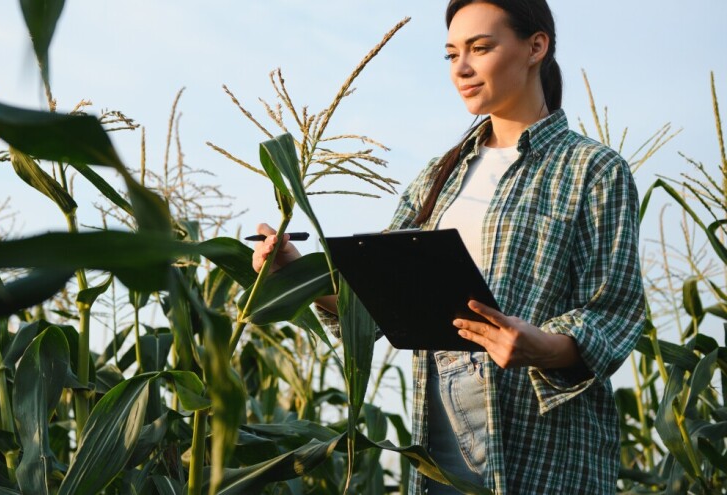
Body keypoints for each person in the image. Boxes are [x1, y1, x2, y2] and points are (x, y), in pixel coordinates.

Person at [252, 0, 645, 493]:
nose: (461, 68)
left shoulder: (592, 170)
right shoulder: (438, 176)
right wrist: (296, 272)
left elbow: (614, 311)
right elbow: (374, 304)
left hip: (541, 446)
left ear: (536, 47)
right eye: (451, 54)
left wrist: (542, 347)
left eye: (480, 48)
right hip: (439, 448)